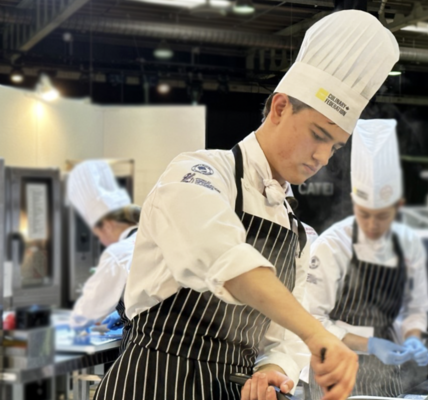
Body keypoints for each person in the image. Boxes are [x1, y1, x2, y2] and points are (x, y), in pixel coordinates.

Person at [93, 10, 399, 400]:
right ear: (280, 108)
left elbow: (283, 337)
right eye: (318, 136)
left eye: (335, 147)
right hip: (153, 384)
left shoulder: (297, 234)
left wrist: (272, 371)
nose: (323, 156)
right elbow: (224, 258)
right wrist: (317, 333)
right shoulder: (199, 173)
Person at [306, 119, 428, 397]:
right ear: (354, 202)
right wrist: (370, 344)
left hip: (388, 375)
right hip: (334, 369)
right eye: (364, 214)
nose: (373, 225)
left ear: (398, 206)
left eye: (383, 216)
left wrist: (413, 339)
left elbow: (416, 308)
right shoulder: (332, 245)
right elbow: (312, 320)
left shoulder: (408, 243)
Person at [68, 160, 140, 352]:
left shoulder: (119, 253)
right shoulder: (151, 239)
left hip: (145, 350)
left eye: (98, 235)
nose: (102, 242)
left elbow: (86, 314)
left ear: (108, 225)